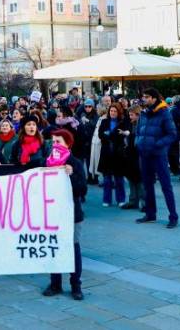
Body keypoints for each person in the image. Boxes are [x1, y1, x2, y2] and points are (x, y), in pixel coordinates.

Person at [41, 129, 88, 301]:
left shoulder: (74, 163)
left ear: (68, 143)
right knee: (54, 247)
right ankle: (55, 283)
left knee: (73, 249)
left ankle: (76, 285)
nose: (55, 145)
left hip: (72, 214)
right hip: (52, 214)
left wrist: (71, 175)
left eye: (58, 142)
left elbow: (82, 189)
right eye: (53, 142)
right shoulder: (47, 163)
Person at [135, 88, 179, 228]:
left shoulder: (164, 113)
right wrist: (138, 142)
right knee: (147, 185)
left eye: (147, 97)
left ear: (154, 98)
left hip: (158, 155)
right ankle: (150, 214)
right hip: (144, 154)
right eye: (144, 97)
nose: (144, 99)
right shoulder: (143, 112)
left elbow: (172, 134)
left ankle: (173, 216)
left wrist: (157, 144)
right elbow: (138, 130)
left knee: (166, 186)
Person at [98, 104, 130, 207]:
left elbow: (123, 134)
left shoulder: (123, 122)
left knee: (119, 179)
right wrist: (110, 135)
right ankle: (107, 200)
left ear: (119, 112)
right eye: (111, 111)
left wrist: (110, 134)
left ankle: (121, 199)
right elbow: (100, 134)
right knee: (107, 179)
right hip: (106, 153)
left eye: (115, 111)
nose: (112, 113)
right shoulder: (104, 121)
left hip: (118, 154)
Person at [120, 106, 144, 210]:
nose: (130, 117)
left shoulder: (143, 124)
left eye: (132, 115)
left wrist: (130, 135)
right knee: (131, 178)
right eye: (129, 115)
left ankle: (144, 203)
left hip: (139, 154)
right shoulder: (131, 124)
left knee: (139, 179)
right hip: (131, 154)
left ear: (137, 115)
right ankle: (133, 200)